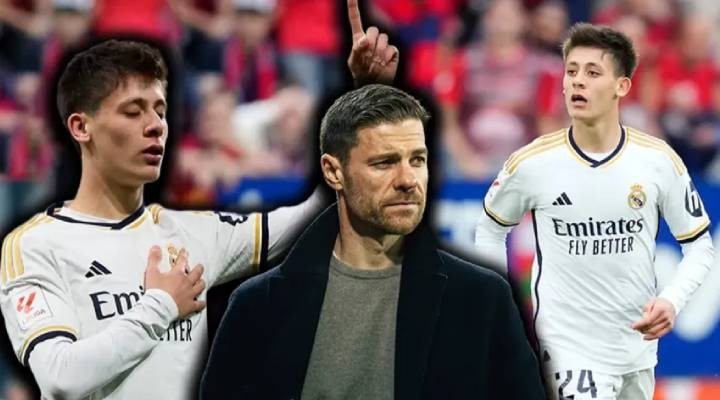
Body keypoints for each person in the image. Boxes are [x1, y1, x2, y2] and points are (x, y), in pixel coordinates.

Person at [0, 39, 322, 400]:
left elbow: (313, 215)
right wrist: (161, 304)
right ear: (80, 127)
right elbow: (61, 377)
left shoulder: (192, 233)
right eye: (133, 112)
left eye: (160, 111)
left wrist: (361, 101)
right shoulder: (35, 244)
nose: (155, 126)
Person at [200, 84, 545, 399]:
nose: (408, 180)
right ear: (333, 172)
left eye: (417, 160)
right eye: (385, 163)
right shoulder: (258, 305)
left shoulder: (481, 300)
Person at [474, 23, 714, 399]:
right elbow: (490, 228)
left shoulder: (657, 160)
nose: (577, 82)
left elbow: (699, 246)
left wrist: (672, 300)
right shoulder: (532, 163)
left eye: (592, 72)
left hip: (636, 351)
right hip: (566, 350)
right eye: (571, 71)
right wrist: (500, 302)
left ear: (622, 86)